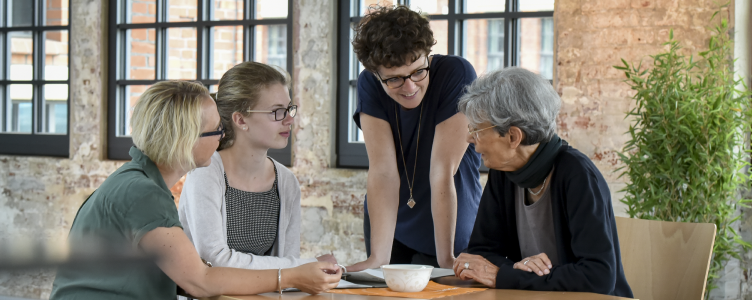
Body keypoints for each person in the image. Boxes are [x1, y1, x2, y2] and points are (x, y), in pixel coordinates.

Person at [50, 81, 341, 300]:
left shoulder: (137, 181)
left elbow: (183, 274)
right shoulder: (143, 193)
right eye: (216, 131)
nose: (223, 137)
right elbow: (199, 282)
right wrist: (291, 275)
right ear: (184, 139)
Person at [451, 67, 633, 297]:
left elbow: (597, 277)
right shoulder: (503, 172)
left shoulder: (578, 175)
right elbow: (481, 253)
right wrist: (517, 269)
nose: (469, 138)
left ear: (513, 137)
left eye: (476, 129)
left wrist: (506, 276)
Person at [345, 5, 482, 272]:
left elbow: (443, 170)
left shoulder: (456, 73)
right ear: (376, 74)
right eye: (394, 79)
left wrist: (447, 260)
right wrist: (378, 259)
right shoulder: (369, 83)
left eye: (419, 71)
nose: (410, 87)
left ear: (427, 55)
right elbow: (383, 172)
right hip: (391, 222)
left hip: (449, 221)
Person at [178, 62, 336, 271]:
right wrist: (307, 265)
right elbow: (215, 261)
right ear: (241, 119)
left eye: (289, 109)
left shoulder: (286, 182)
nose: (289, 119)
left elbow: (288, 271)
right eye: (277, 111)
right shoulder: (205, 173)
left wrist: (304, 270)